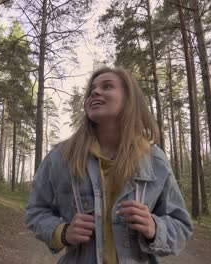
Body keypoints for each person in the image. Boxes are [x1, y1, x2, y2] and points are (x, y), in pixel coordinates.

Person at [25, 67, 192, 263]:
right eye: (92, 90)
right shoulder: (61, 157)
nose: (95, 92)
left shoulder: (154, 160)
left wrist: (155, 227)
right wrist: (63, 232)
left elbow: (181, 226)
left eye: (107, 86)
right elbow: (35, 211)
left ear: (129, 99)